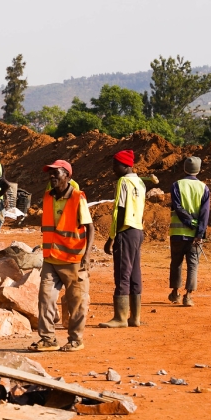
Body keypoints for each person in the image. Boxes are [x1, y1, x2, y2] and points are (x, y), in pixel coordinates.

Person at [31, 160, 94, 352]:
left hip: (73, 259)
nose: (51, 177)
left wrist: (87, 255)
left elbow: (90, 227)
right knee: (46, 298)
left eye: (55, 173)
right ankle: (48, 339)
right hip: (51, 258)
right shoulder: (48, 197)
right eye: (49, 173)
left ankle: (76, 339)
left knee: (76, 301)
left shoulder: (77, 198)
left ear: (67, 176)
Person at [100, 149, 147, 328]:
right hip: (137, 230)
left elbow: (119, 211)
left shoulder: (123, 182)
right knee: (135, 273)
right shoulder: (140, 182)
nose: (113, 168)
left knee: (122, 273)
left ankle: (120, 317)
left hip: (125, 230)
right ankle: (134, 317)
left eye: (115, 165)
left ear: (125, 165)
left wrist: (112, 237)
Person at [169, 156, 210, 307]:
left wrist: (188, 221)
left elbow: (177, 208)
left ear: (185, 169)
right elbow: (205, 214)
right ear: (198, 170)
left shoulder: (176, 185)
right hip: (195, 237)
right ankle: (188, 296)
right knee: (193, 265)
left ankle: (175, 293)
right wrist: (199, 232)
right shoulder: (204, 188)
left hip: (177, 234)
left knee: (176, 263)